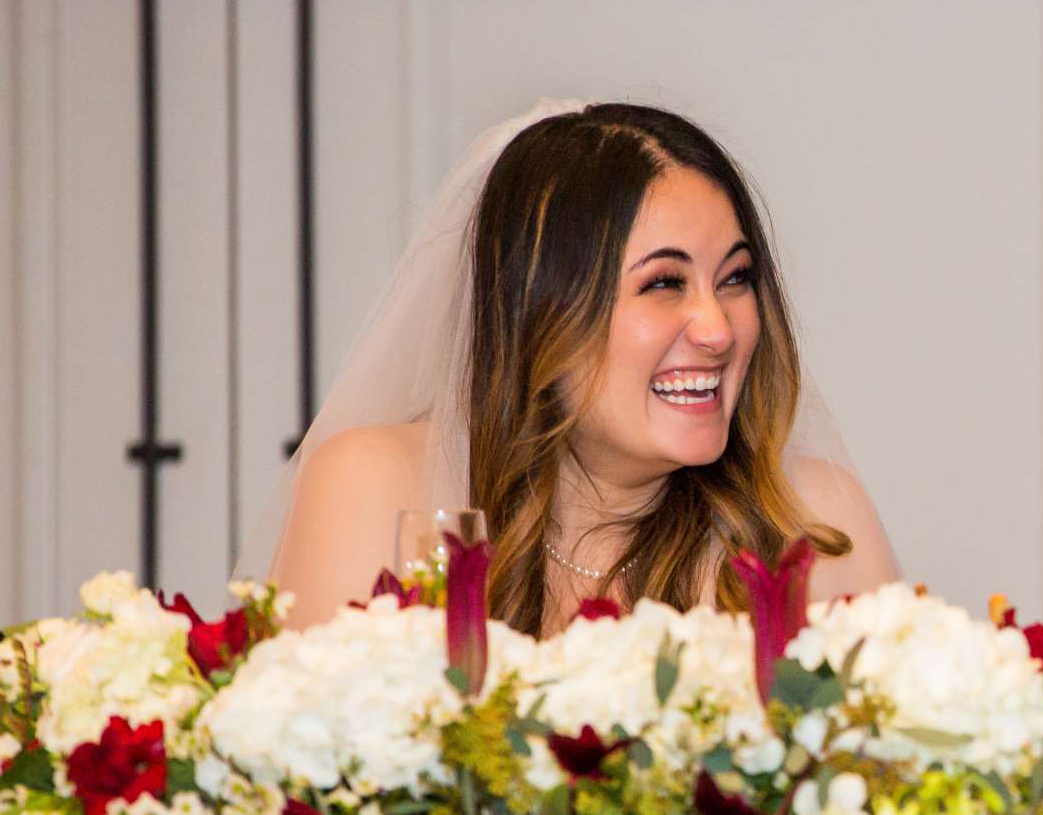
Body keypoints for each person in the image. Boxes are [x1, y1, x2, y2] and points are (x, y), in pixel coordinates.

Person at [256, 102, 898, 633]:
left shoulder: (811, 522)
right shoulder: (379, 489)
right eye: (664, 283)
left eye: (735, 278)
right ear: (542, 311)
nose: (718, 329)